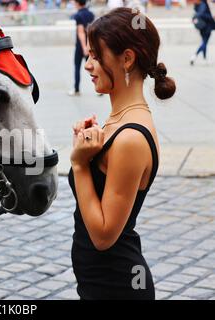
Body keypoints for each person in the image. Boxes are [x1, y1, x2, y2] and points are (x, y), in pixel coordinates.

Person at [68, 7, 176, 300]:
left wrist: (79, 165)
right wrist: (87, 147)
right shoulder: (118, 120)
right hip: (100, 281)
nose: (88, 65)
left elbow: (103, 236)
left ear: (127, 59)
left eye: (95, 56)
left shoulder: (130, 138)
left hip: (116, 287)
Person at [68, 0, 94, 96]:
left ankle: (76, 89)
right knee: (94, 66)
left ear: (78, 3)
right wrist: (89, 45)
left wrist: (84, 47)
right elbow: (91, 30)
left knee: (77, 67)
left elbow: (81, 32)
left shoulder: (78, 15)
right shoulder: (91, 14)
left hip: (81, 46)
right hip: (90, 44)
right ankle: (104, 84)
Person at [190, 0, 215, 65]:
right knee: (204, 42)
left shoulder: (197, 5)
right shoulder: (204, 4)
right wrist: (212, 17)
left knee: (204, 42)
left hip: (201, 27)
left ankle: (204, 58)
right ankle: (195, 55)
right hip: (207, 27)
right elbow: (203, 14)